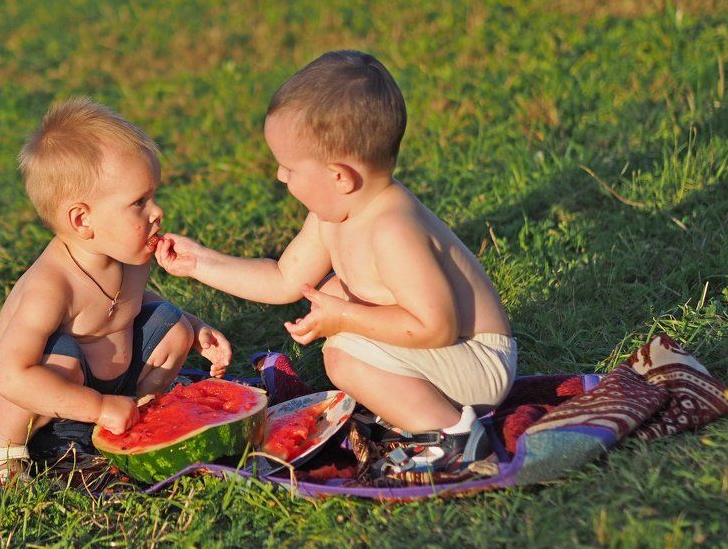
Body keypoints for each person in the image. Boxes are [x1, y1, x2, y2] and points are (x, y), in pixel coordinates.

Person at [155, 51, 515, 473]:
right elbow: (284, 279)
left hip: (476, 361)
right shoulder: (335, 215)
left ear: (339, 176)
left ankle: (454, 439)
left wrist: (345, 318)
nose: (280, 177)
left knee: (342, 354)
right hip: (442, 352)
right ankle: (408, 412)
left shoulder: (393, 230)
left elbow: (435, 326)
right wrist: (200, 262)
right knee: (326, 292)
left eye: (289, 168)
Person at [0, 98, 231, 484]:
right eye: (139, 203)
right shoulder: (51, 285)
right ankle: (3, 458)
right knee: (58, 356)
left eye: (153, 196)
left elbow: (125, 306)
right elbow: (13, 377)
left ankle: (139, 413)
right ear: (82, 220)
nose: (157, 211)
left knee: (173, 326)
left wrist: (195, 327)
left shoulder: (130, 256)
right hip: (34, 396)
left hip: (110, 385)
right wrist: (96, 406)